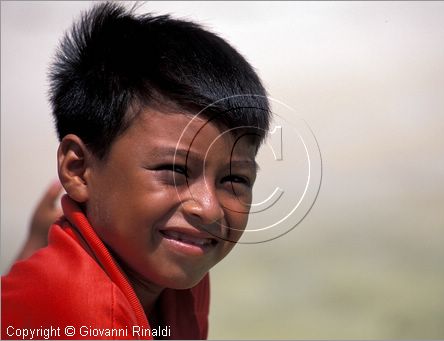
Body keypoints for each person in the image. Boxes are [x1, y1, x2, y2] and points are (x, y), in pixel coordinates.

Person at [2, 2, 270, 340]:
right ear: (79, 170)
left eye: (234, 179)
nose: (209, 208)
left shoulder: (173, 265)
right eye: (173, 170)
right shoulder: (88, 321)